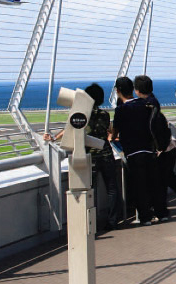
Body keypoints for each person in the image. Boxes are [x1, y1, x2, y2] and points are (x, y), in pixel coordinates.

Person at [44, 83, 123, 230]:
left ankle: (90, 221)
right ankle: (113, 221)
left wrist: (54, 138)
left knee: (89, 190)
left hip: (88, 157)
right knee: (112, 188)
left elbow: (71, 128)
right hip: (106, 154)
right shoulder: (105, 115)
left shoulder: (82, 115)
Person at [134, 75, 176, 215]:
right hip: (168, 147)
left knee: (162, 180)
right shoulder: (153, 103)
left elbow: (152, 129)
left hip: (163, 149)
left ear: (137, 90)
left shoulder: (148, 106)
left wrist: (158, 148)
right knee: (167, 178)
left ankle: (162, 209)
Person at [111, 76, 167, 226]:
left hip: (133, 152)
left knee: (139, 185)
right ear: (133, 89)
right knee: (154, 183)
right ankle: (162, 213)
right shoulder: (145, 105)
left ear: (118, 91)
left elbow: (115, 133)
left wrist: (113, 136)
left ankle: (145, 217)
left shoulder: (121, 109)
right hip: (149, 150)